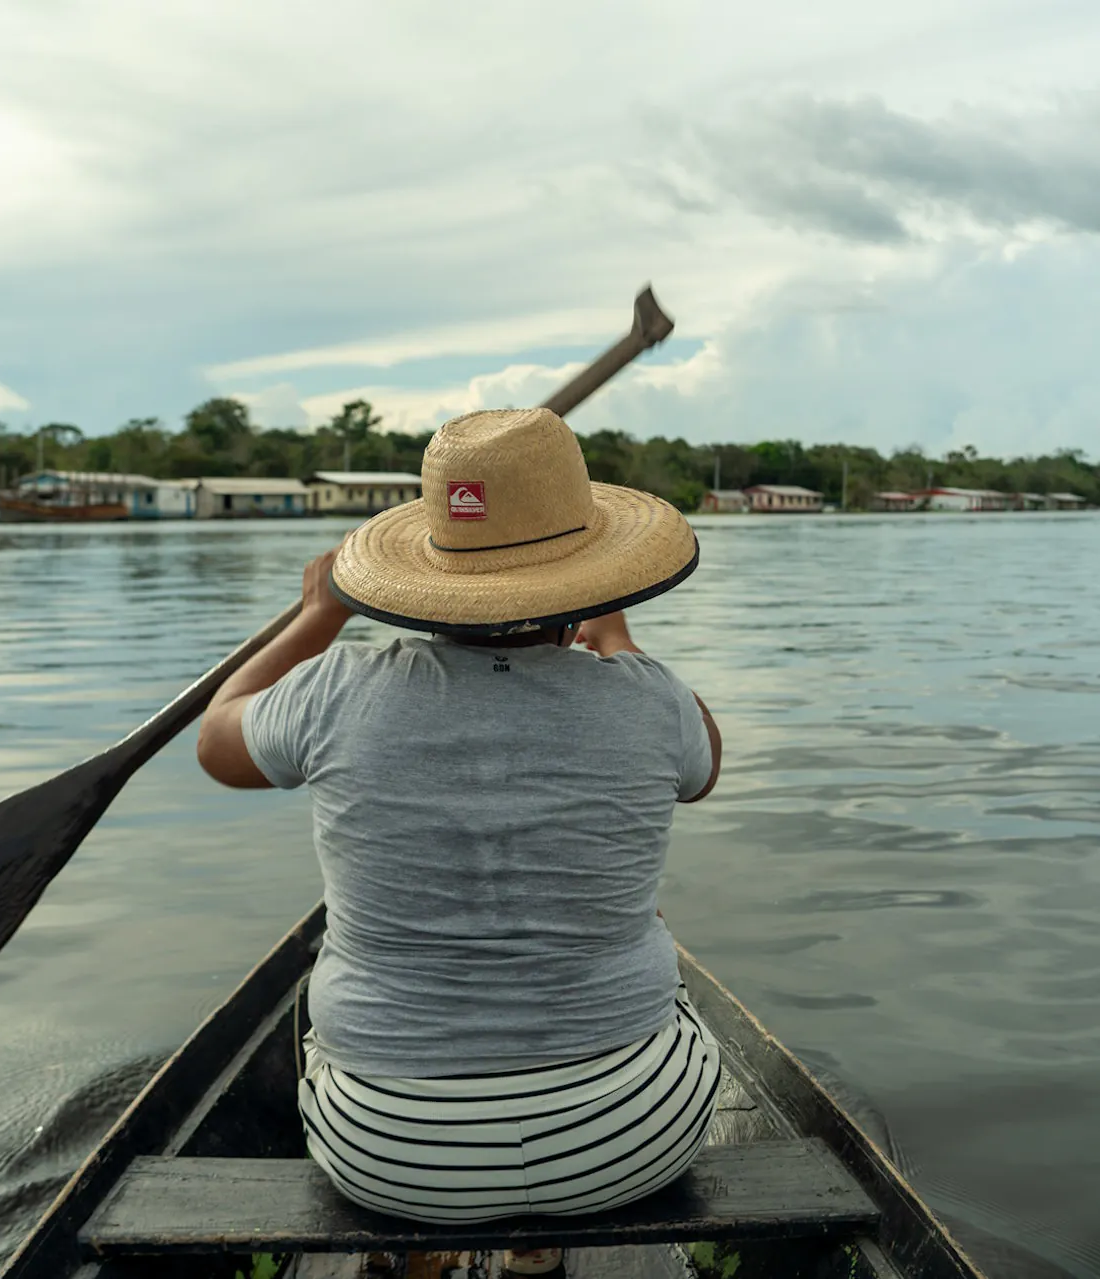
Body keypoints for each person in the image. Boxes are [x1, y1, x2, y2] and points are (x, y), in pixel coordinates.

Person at [196, 407, 723, 1239]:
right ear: (593, 579)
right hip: (633, 1140)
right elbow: (704, 768)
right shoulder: (648, 697)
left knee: (323, 979)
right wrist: (618, 638)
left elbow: (217, 742)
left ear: (425, 582)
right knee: (651, 927)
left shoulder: (334, 688)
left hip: (389, 1154)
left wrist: (316, 615)